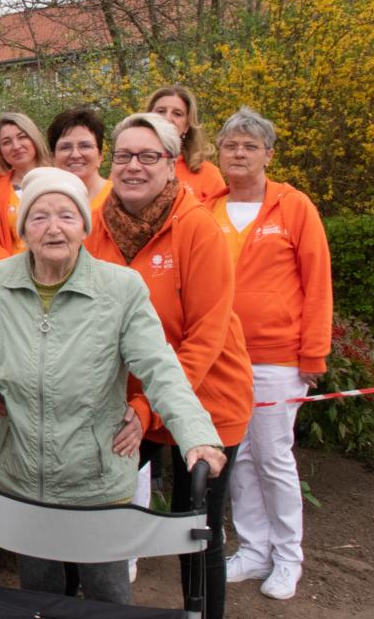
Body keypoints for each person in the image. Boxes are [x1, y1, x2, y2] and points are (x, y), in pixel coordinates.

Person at [0, 166, 227, 606]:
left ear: (85, 225)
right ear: (23, 229)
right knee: (38, 597)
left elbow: (161, 369)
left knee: (107, 598)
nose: (54, 228)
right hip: (23, 475)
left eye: (66, 215)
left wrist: (196, 435)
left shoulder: (120, 289)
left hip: (96, 478)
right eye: (39, 217)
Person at [86, 113, 254, 618]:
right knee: (91, 506)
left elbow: (205, 336)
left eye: (147, 156)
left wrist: (149, 407)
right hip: (130, 403)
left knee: (194, 528)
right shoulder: (96, 223)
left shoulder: (198, 227)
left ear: (171, 163)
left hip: (204, 400)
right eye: (123, 155)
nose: (133, 166)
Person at [205, 108, 332, 601]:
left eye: (249, 146)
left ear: (268, 155)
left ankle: (288, 558)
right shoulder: (208, 206)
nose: (239, 153)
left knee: (275, 458)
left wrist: (313, 355)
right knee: (237, 459)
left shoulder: (294, 207)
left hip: (278, 356)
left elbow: (318, 282)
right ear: (218, 153)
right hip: (223, 357)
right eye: (231, 145)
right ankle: (254, 550)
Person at [0, 112, 51, 264]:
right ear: (0, 152)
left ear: (34, 138)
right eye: (7, 142)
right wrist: (15, 269)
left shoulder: (60, 179)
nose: (16, 146)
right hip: (12, 276)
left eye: (22, 137)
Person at [146, 85, 225, 200]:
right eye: (161, 111)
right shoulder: (129, 164)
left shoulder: (208, 174)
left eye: (177, 113)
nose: (167, 118)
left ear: (187, 126)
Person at [47, 107, 111, 209]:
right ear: (52, 157)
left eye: (85, 146)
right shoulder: (42, 202)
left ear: (100, 155)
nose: (75, 155)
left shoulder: (120, 199)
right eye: (65, 147)